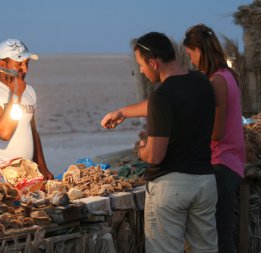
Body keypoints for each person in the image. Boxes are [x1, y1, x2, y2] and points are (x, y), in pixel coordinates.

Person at [101, 32, 218, 252]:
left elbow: (155, 156)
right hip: (204, 182)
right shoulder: (201, 82)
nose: (141, 72)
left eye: (141, 66)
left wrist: (141, 148)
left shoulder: (162, 96)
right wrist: (122, 112)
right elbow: (169, 101)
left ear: (153, 63)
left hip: (172, 188)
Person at [183, 24, 246, 253]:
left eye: (190, 55)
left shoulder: (217, 82)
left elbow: (216, 132)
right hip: (231, 161)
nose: (191, 61)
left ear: (198, 50)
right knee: (222, 234)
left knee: (219, 238)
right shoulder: (228, 75)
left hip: (222, 164)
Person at [0, 39, 54, 190]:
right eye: (19, 64)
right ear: (2, 64)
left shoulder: (28, 90)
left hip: (25, 178)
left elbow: (33, 131)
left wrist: (42, 167)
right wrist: (16, 95)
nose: (25, 69)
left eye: (27, 63)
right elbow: (4, 132)